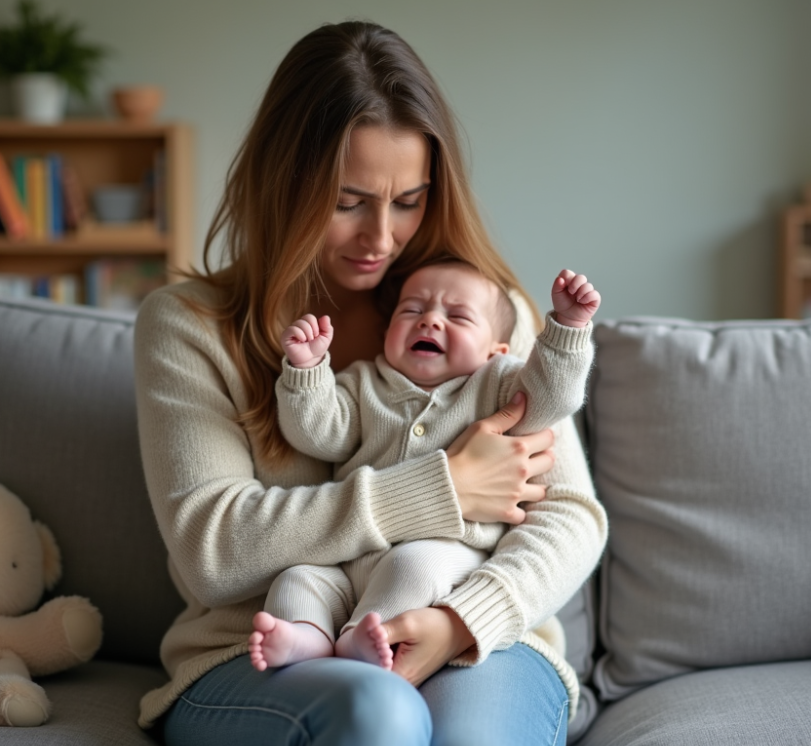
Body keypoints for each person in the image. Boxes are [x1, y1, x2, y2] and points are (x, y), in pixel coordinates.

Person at [133, 20, 608, 746]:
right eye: (348, 201)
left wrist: (460, 621)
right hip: (262, 654)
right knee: (376, 714)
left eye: (409, 201)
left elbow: (572, 518)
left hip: (480, 635)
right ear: (282, 181)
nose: (380, 238)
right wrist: (442, 487)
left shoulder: (487, 313)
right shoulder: (189, 326)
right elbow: (213, 550)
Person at [251, 260, 600, 672]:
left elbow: (548, 401)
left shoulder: (499, 382)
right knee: (297, 579)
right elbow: (318, 434)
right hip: (349, 560)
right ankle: (308, 636)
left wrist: (567, 329)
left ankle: (361, 640)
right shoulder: (364, 383)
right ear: (387, 335)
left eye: (457, 316)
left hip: (449, 552)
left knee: (412, 566)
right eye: (412, 311)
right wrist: (308, 372)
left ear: (496, 350)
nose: (430, 321)